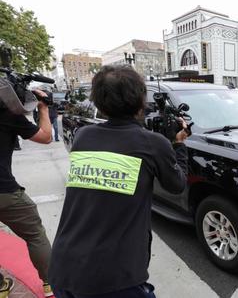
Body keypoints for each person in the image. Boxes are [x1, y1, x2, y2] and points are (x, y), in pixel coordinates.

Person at [48, 65, 189, 298]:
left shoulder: (84, 136)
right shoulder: (153, 144)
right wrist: (179, 145)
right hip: (114, 280)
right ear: (140, 100)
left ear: (99, 103)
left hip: (63, 269)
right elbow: (177, 185)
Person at [0, 90, 54, 297]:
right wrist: (43, 108)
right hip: (4, 191)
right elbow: (46, 137)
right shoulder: (8, 114)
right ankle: (50, 281)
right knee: (35, 234)